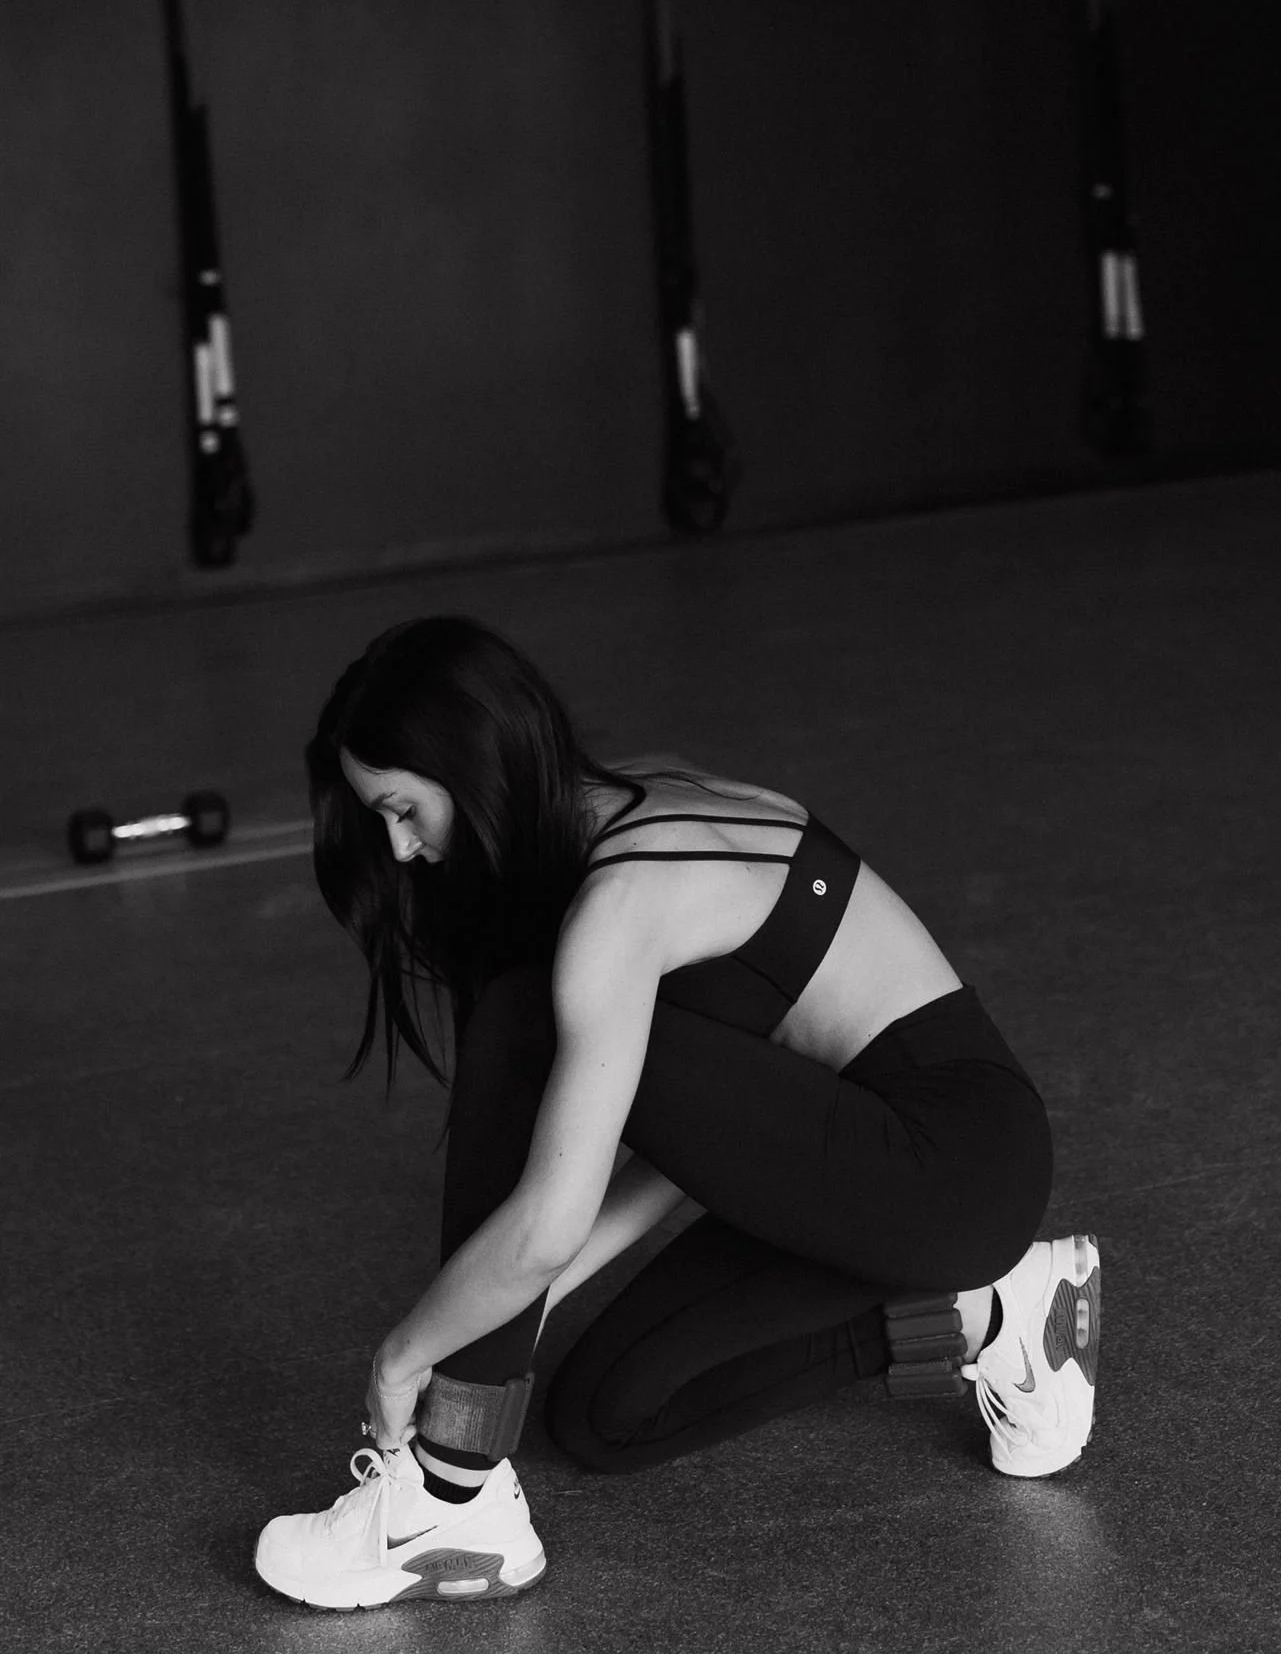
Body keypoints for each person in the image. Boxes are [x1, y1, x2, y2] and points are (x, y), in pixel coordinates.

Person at [254, 616, 1100, 1611]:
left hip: (950, 1162)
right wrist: (516, 1302)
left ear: (469, 761)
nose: (400, 847)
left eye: (400, 807)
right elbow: (690, 1137)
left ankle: (446, 1488)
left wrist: (408, 1354)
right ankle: (996, 1308)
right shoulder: (619, 806)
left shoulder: (622, 903)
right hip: (838, 1160)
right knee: (609, 1415)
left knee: (521, 1017)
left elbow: (562, 1205)